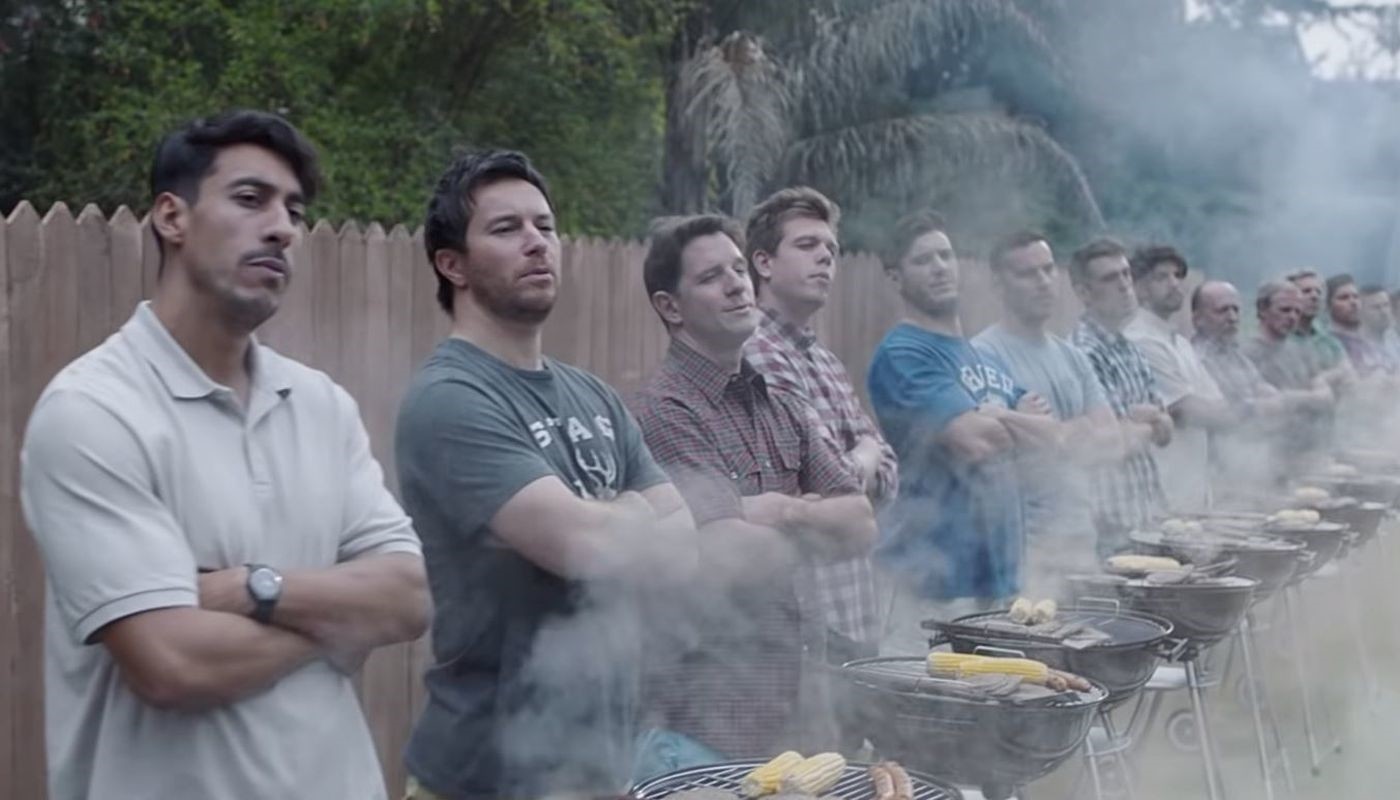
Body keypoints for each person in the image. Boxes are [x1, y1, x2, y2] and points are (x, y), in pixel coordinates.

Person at [19, 110, 430, 800]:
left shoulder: (320, 406)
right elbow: (173, 665)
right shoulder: (94, 411)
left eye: (294, 211)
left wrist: (251, 589)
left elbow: (412, 596)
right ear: (171, 218)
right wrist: (338, 627)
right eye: (250, 199)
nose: (281, 228)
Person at [396, 150, 699, 799]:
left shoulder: (594, 397)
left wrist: (613, 525)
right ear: (452, 265)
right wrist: (635, 514)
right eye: (506, 229)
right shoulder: (450, 399)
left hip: (597, 771)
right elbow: (583, 548)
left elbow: (684, 547)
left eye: (545, 226)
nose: (536, 243)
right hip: (484, 776)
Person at [632, 213, 876, 757]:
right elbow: (727, 550)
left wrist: (782, 512)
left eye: (739, 269)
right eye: (711, 276)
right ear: (670, 307)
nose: (737, 283)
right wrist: (813, 517)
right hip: (708, 726)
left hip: (803, 714)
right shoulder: (665, 411)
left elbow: (860, 523)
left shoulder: (780, 402)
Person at [868, 211, 1060, 646]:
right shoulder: (903, 353)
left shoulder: (983, 360)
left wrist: (996, 417)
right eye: (923, 260)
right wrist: (1007, 420)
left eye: (945, 255)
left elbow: (1051, 438)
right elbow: (974, 441)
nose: (939, 267)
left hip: (1001, 578)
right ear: (896, 278)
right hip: (934, 584)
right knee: (931, 713)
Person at [741, 186, 897, 670]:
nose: (825, 259)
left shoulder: (824, 360)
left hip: (853, 614)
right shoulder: (754, 351)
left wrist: (866, 460)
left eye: (830, 249)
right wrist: (863, 454)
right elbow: (825, 479)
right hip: (804, 627)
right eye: (807, 246)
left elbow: (889, 472)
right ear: (763, 264)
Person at [972, 230, 1120, 596]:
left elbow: (1110, 440)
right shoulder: (982, 355)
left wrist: (1043, 429)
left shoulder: (1073, 356)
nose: (1042, 282)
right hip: (1023, 553)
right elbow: (994, 452)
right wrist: (1074, 430)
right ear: (998, 284)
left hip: (1081, 540)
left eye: (1048, 269)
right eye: (1026, 274)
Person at [1067, 238, 1173, 555]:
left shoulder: (1131, 348)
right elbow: (1110, 445)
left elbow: (1167, 430)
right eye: (1110, 278)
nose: (1125, 286)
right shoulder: (1082, 353)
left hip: (1148, 515)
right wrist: (1147, 424)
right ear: (1084, 293)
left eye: (1126, 274)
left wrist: (1145, 422)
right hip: (1109, 524)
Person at [1122, 245, 1232, 510]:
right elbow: (1185, 408)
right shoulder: (1140, 340)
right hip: (1165, 491)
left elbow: (1221, 406)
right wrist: (1211, 409)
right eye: (1161, 277)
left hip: (1193, 489)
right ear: (1138, 288)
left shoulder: (1180, 344)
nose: (1174, 284)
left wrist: (1214, 409)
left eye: (1177, 276)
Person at [1191, 280, 1327, 488]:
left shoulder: (1234, 355)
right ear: (1198, 318)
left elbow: (1266, 392)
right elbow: (1224, 412)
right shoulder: (1195, 358)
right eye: (1222, 311)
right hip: (1219, 471)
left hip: (1254, 464)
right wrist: (1270, 405)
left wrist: (1275, 402)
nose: (1232, 318)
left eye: (1235, 310)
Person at [1243, 280, 1337, 464]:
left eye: (1297, 311)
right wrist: (1308, 399)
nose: (1292, 317)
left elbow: (1326, 396)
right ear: (1263, 310)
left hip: (1309, 451)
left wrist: (1294, 398)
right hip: (1270, 456)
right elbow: (1266, 406)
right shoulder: (1249, 353)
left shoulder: (1300, 349)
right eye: (1285, 310)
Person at [1328, 274, 1395, 376]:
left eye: (1356, 296)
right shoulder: (1328, 343)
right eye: (1344, 298)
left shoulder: (1369, 342)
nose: (1353, 302)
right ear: (1328, 305)